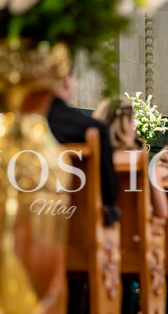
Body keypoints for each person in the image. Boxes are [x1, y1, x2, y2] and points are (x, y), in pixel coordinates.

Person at [46, 77, 119, 225]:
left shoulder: (11, 129)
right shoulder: (92, 129)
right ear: (66, 83)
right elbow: (109, 194)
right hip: (81, 225)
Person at [94, 97, 168, 219]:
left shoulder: (91, 156)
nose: (134, 130)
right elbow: (162, 213)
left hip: (95, 227)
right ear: (125, 126)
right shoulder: (137, 159)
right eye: (133, 122)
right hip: (135, 231)